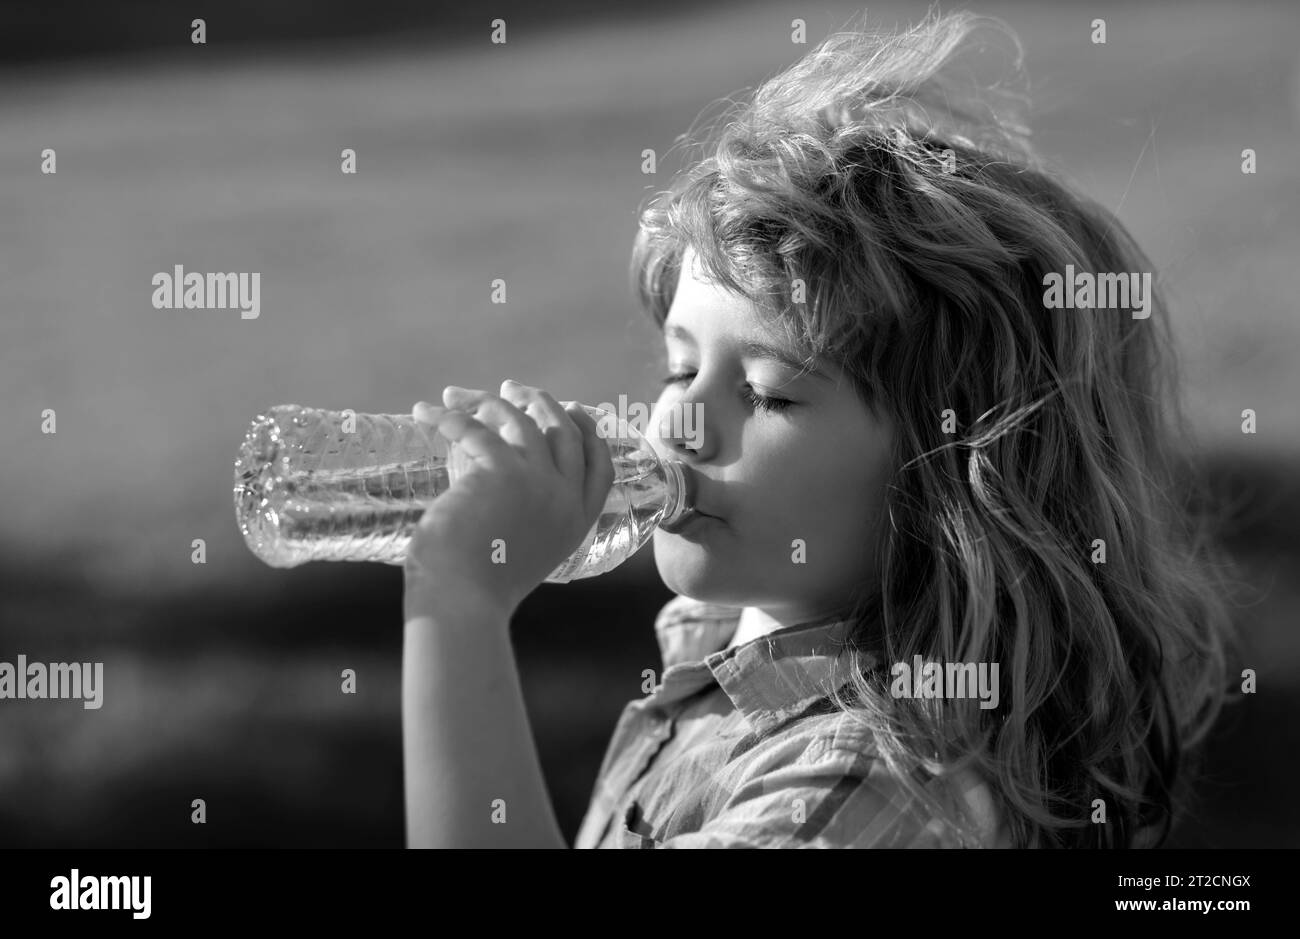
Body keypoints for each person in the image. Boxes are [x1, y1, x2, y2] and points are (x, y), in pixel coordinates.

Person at [400, 8, 1240, 849]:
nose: (681, 421)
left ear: (952, 476)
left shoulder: (868, 782)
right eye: (680, 368)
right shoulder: (727, 634)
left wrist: (459, 603)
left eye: (768, 394)